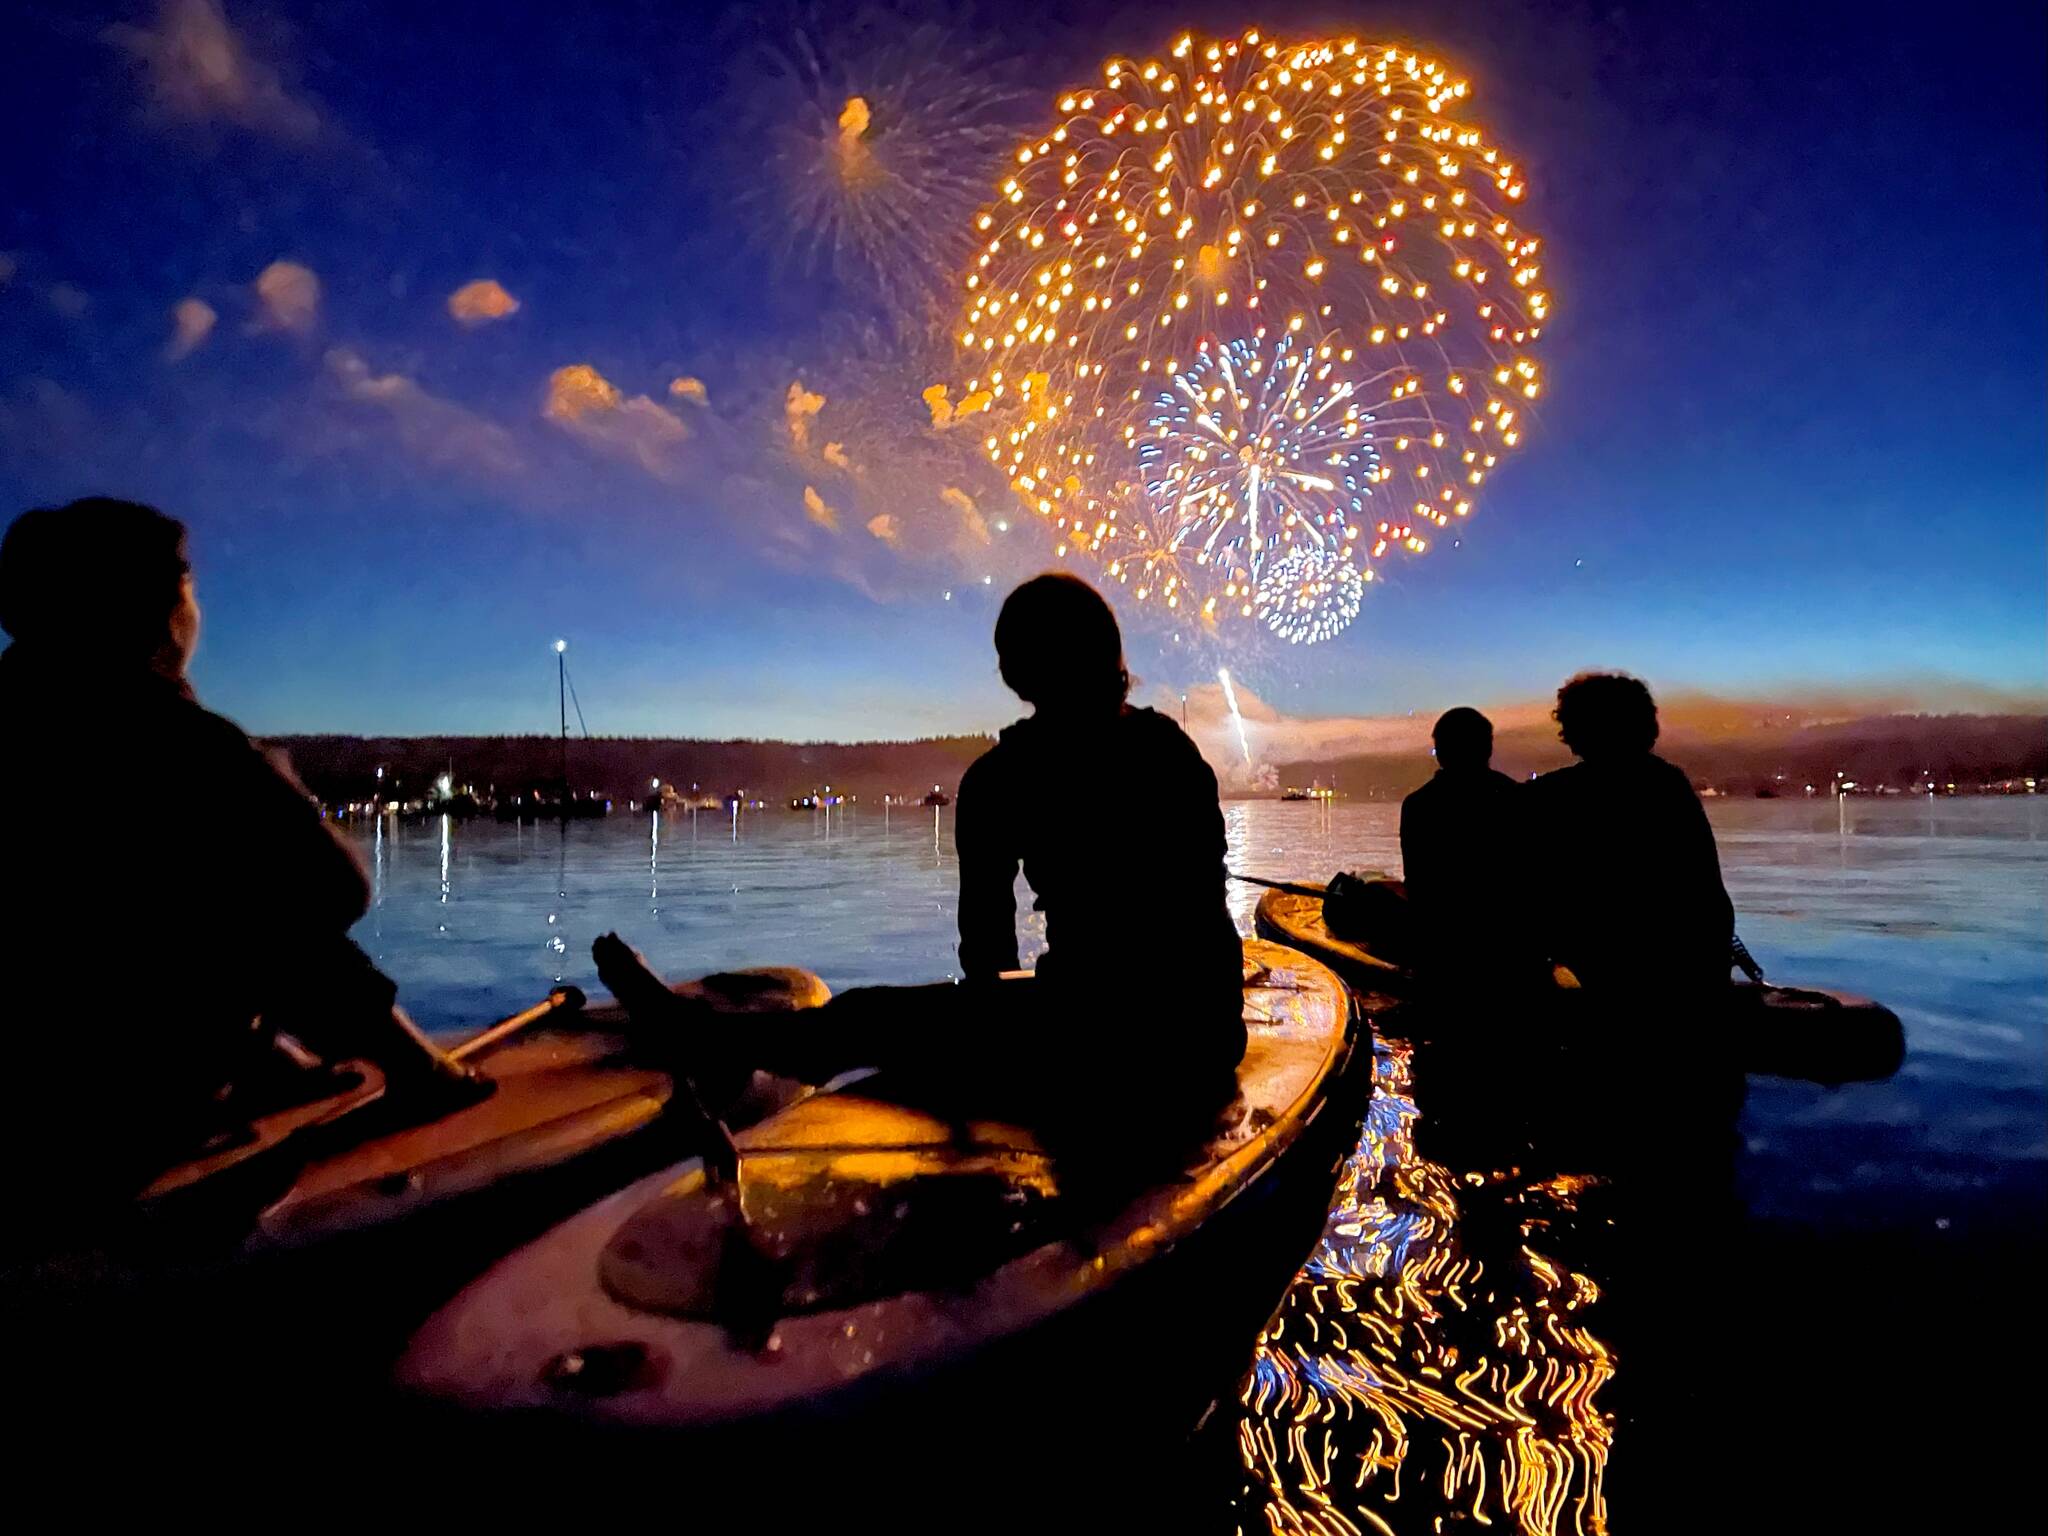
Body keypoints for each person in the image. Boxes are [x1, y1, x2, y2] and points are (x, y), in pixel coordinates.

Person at [596, 571, 1246, 1147]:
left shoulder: (1001, 779)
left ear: (1018, 672)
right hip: (1204, 1033)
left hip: (1098, 1043)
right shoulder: (1172, 752)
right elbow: (1201, 916)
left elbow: (986, 953)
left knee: (869, 1017)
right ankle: (731, 1040)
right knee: (931, 1017)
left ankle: (707, 1042)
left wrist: (982, 1043)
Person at [0, 498, 480, 1237]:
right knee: (265, 904)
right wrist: (267, 774)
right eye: (187, 587)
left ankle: (260, 1066)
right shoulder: (170, 739)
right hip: (97, 1122)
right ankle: (420, 1074)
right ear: (163, 607)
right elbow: (335, 890)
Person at [1526, 673, 1734, 996]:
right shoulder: (1669, 785)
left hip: (1621, 975)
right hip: (1688, 971)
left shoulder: (1559, 794)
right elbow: (1707, 898)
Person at [1398, 706, 1541, 993]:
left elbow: (1420, 886)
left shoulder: (1420, 805)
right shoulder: (1517, 798)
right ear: (1487, 748)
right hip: (1512, 949)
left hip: (1445, 950)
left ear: (1439, 751)